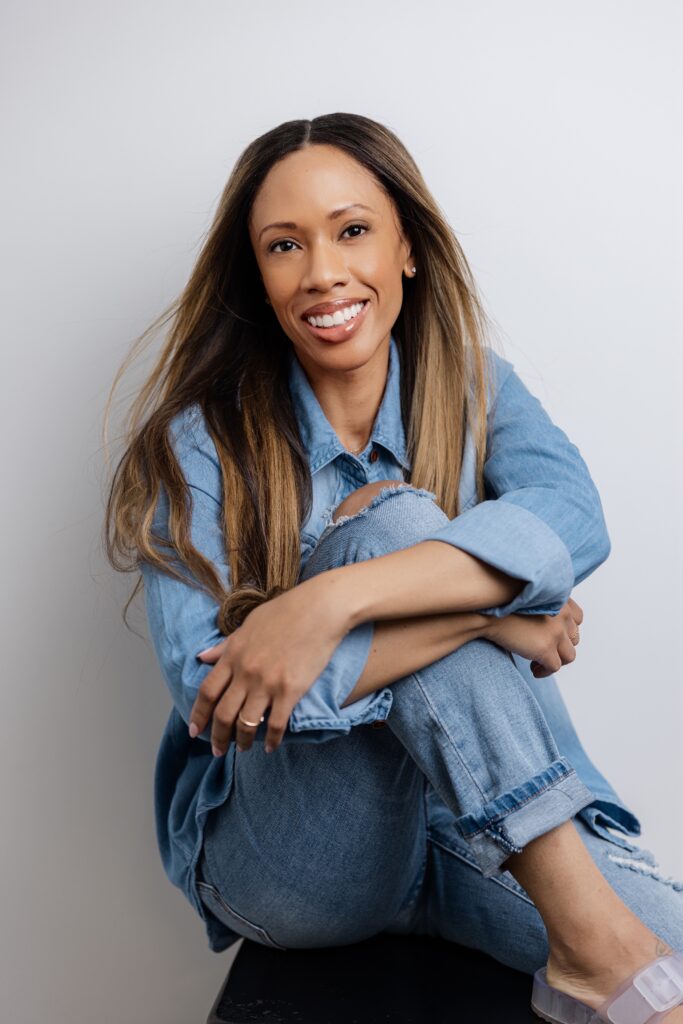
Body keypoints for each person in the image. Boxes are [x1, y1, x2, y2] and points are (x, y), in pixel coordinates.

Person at [104, 113, 683, 1022]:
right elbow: (213, 693)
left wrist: (329, 603)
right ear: (257, 278)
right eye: (285, 245)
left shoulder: (476, 385)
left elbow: (573, 521)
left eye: (352, 230)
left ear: (406, 246)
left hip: (470, 833)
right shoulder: (196, 444)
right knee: (399, 517)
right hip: (300, 865)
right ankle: (597, 954)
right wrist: (493, 614)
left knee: (677, 954)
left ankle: (598, 947)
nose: (324, 271)